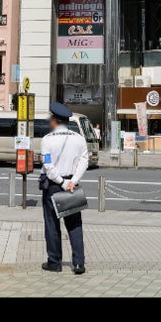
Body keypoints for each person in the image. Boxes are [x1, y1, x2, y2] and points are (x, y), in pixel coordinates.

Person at [40, 102, 89, 274]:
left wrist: (61, 182)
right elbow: (85, 160)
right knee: (75, 224)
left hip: (54, 186)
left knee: (52, 224)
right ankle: (78, 263)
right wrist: (73, 181)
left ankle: (54, 262)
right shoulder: (79, 138)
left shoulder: (47, 140)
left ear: (54, 120)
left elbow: (48, 166)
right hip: (72, 186)